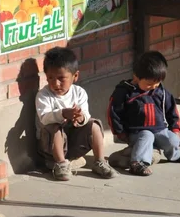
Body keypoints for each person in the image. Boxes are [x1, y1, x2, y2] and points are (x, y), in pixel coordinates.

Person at [35, 47, 118, 181]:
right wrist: (63, 114)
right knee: (54, 127)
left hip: (74, 143)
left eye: (61, 78)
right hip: (50, 146)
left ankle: (100, 162)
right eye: (50, 78)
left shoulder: (79, 92)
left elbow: (85, 114)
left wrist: (81, 118)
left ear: (75, 76)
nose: (56, 83)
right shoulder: (43, 95)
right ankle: (61, 164)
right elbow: (44, 119)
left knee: (94, 124)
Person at [107, 50, 180, 176]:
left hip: (159, 130)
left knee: (173, 140)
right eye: (149, 84)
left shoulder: (161, 92)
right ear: (136, 77)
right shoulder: (125, 92)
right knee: (147, 136)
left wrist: (175, 129)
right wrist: (120, 132)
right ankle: (137, 163)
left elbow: (172, 111)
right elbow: (114, 112)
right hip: (136, 132)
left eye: (157, 83)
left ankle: (174, 155)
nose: (153, 86)